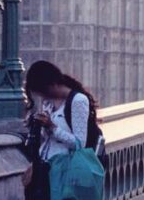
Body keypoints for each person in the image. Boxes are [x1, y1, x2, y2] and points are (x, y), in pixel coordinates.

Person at [24, 60, 102, 200]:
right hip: (45, 169)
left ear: (52, 84)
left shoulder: (78, 101)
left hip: (67, 171)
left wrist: (52, 127)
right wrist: (36, 124)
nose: (42, 97)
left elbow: (79, 144)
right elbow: (48, 140)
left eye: (43, 92)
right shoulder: (48, 102)